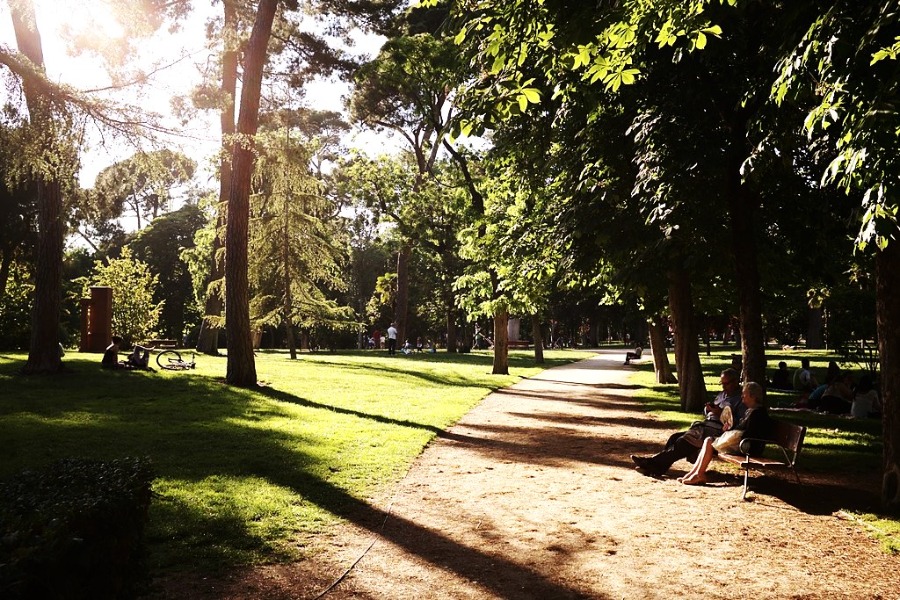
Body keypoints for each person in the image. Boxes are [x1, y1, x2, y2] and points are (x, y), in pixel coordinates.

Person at [631, 368, 745, 477]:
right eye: (722, 384)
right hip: (706, 425)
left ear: (735, 382)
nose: (724, 387)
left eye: (727, 384)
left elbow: (736, 422)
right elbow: (709, 411)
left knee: (683, 442)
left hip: (718, 432)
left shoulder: (740, 399)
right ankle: (657, 467)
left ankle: (650, 463)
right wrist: (709, 409)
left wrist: (720, 413)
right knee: (674, 437)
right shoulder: (722, 394)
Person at [679, 381, 774, 485]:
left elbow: (748, 433)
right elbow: (742, 429)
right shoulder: (751, 410)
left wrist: (731, 431)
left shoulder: (757, 413)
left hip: (748, 447)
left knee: (709, 441)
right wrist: (730, 429)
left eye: (744, 393)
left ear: (752, 396)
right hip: (745, 444)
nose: (742, 396)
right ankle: (694, 473)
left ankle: (699, 474)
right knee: (708, 440)